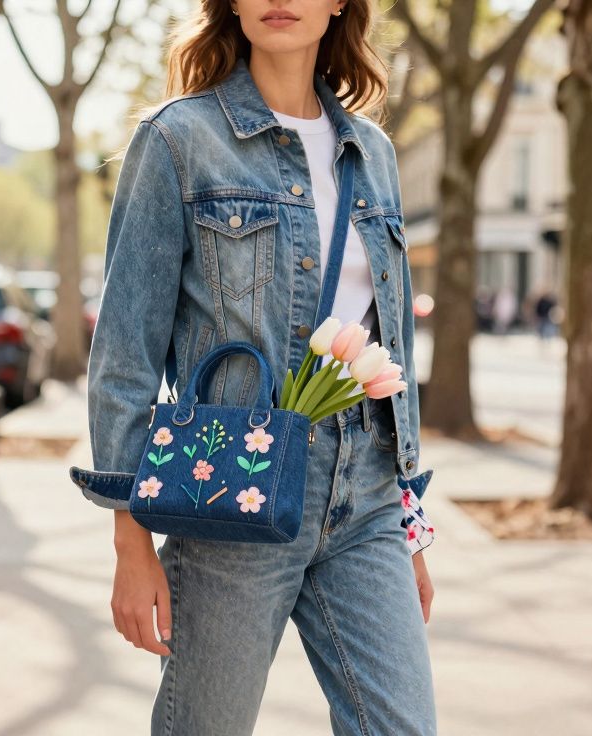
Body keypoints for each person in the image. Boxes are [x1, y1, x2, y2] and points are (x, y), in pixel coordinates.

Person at [81, 2, 437, 733]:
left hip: (366, 497)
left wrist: (411, 526)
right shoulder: (179, 140)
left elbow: (390, 347)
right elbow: (124, 353)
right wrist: (130, 540)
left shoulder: (373, 153)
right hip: (229, 495)